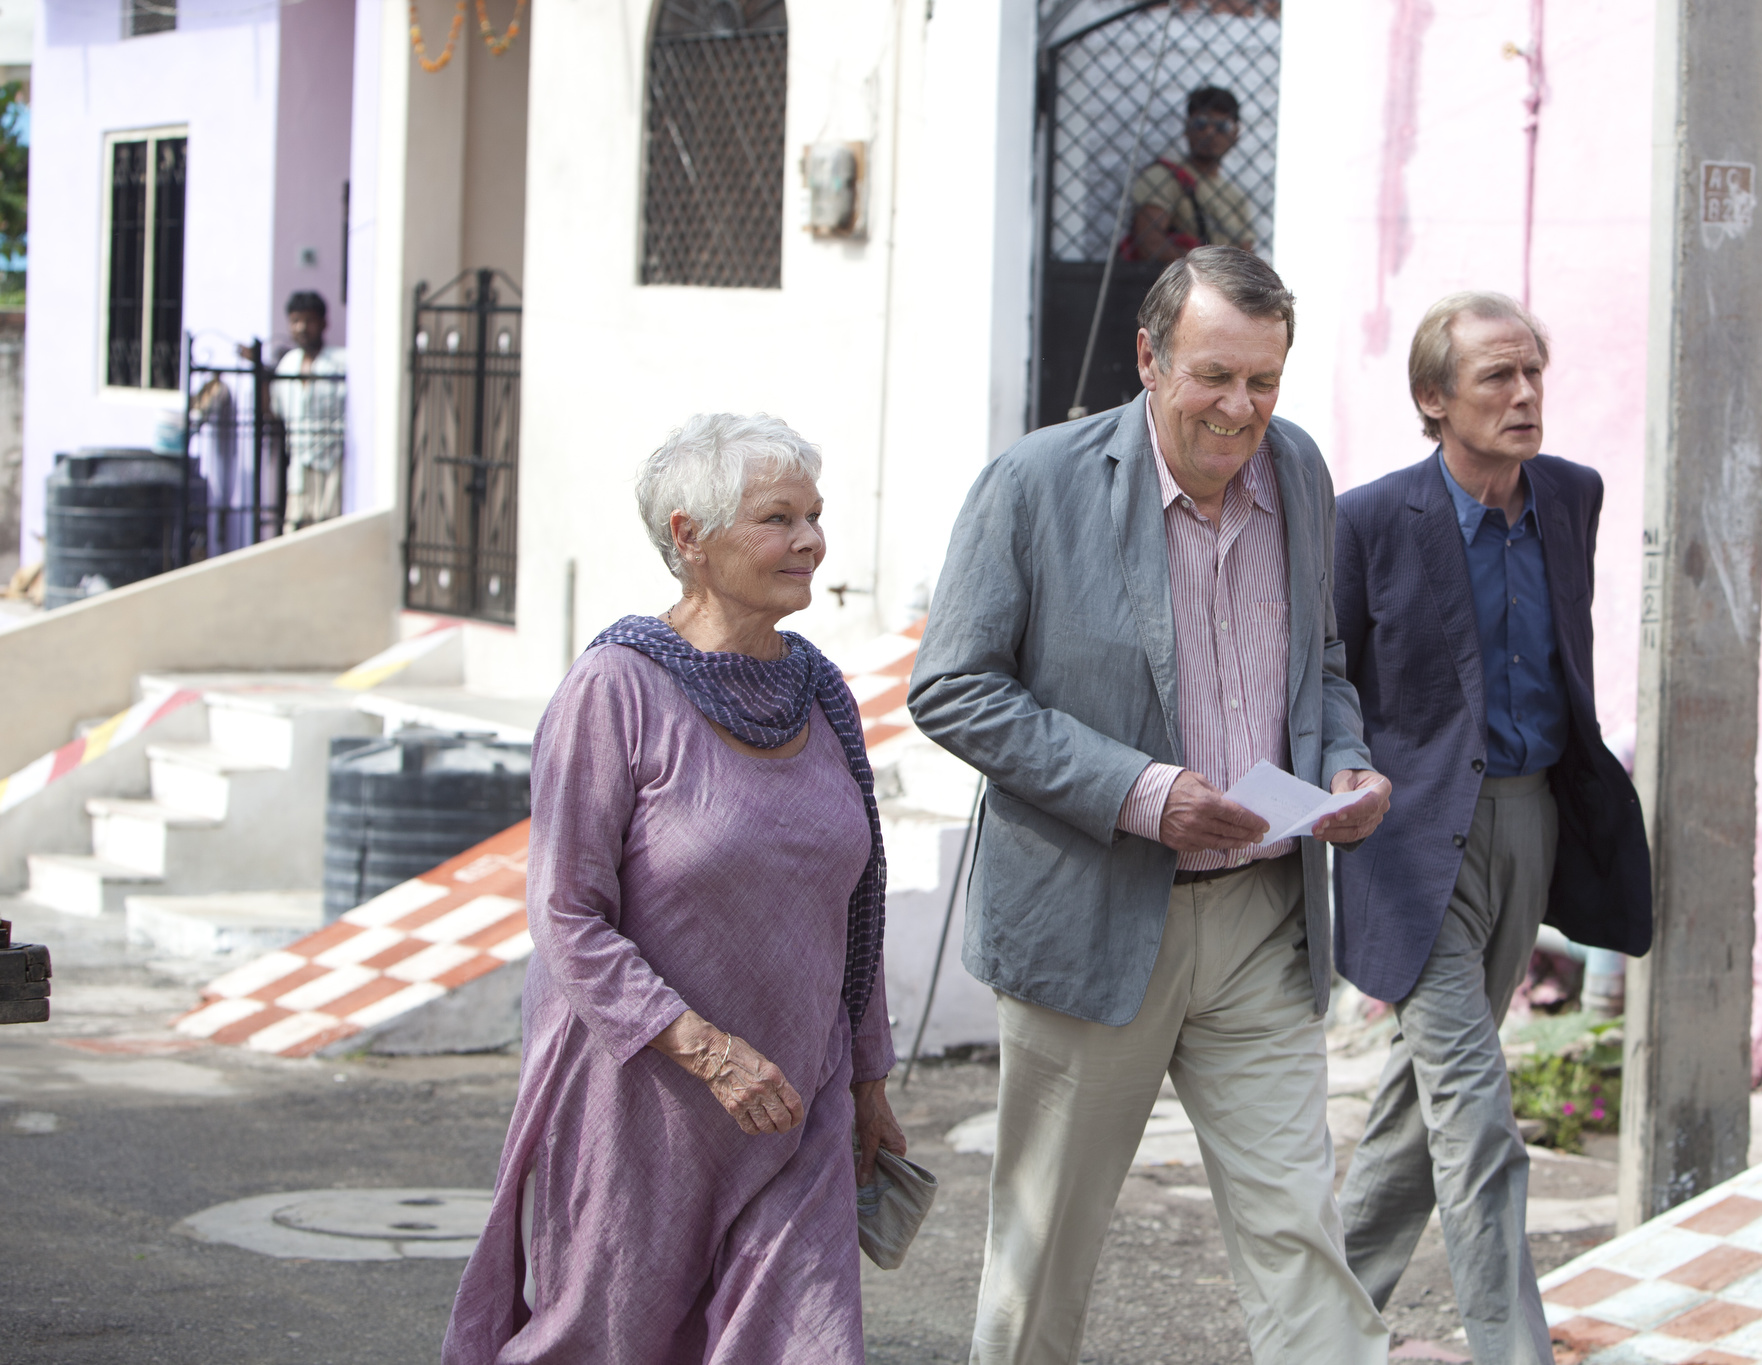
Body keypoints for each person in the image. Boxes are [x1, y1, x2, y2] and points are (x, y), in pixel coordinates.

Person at [909, 246, 1395, 1365]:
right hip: (1090, 919)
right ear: (1147, 358)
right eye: (1213, 377)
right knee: (1043, 1263)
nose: (1240, 410)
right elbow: (952, 688)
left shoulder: (1302, 474)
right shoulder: (1034, 483)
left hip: (1262, 919)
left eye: (1263, 383)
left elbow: (1317, 662)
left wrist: (1343, 767)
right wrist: (1140, 792)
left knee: (1298, 1237)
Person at [440, 412, 904, 1365]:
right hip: (641, 1094)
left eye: (815, 515)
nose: (811, 540)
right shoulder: (614, 688)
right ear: (690, 537)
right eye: (780, 517)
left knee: (807, 1343)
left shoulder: (819, 690)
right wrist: (707, 1051)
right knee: (605, 1341)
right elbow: (567, 914)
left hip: (794, 1099)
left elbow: (857, 902)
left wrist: (866, 1078)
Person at [1330, 293, 1653, 1365]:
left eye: (1532, 376)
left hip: (1530, 821)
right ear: (1433, 399)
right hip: (1410, 842)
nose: (1522, 398)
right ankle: (1511, 1350)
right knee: (1471, 1111)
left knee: (1413, 1115)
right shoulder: (1370, 521)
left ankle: (1322, 1327)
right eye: (1494, 380)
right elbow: (1324, 676)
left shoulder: (1569, 496)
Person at [1124, 86, 1257, 263]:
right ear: (1187, 128)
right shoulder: (1163, 177)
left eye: (1222, 126)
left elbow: (1248, 259)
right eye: (1201, 123)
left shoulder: (1236, 198)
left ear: (1235, 134)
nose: (1210, 132)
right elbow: (1150, 245)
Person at [270, 291, 345, 531]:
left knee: (329, 530)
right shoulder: (288, 364)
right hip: (300, 463)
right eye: (295, 321)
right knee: (296, 529)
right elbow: (275, 410)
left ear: (323, 323)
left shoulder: (341, 363)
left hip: (333, 462)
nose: (302, 328)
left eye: (309, 321)